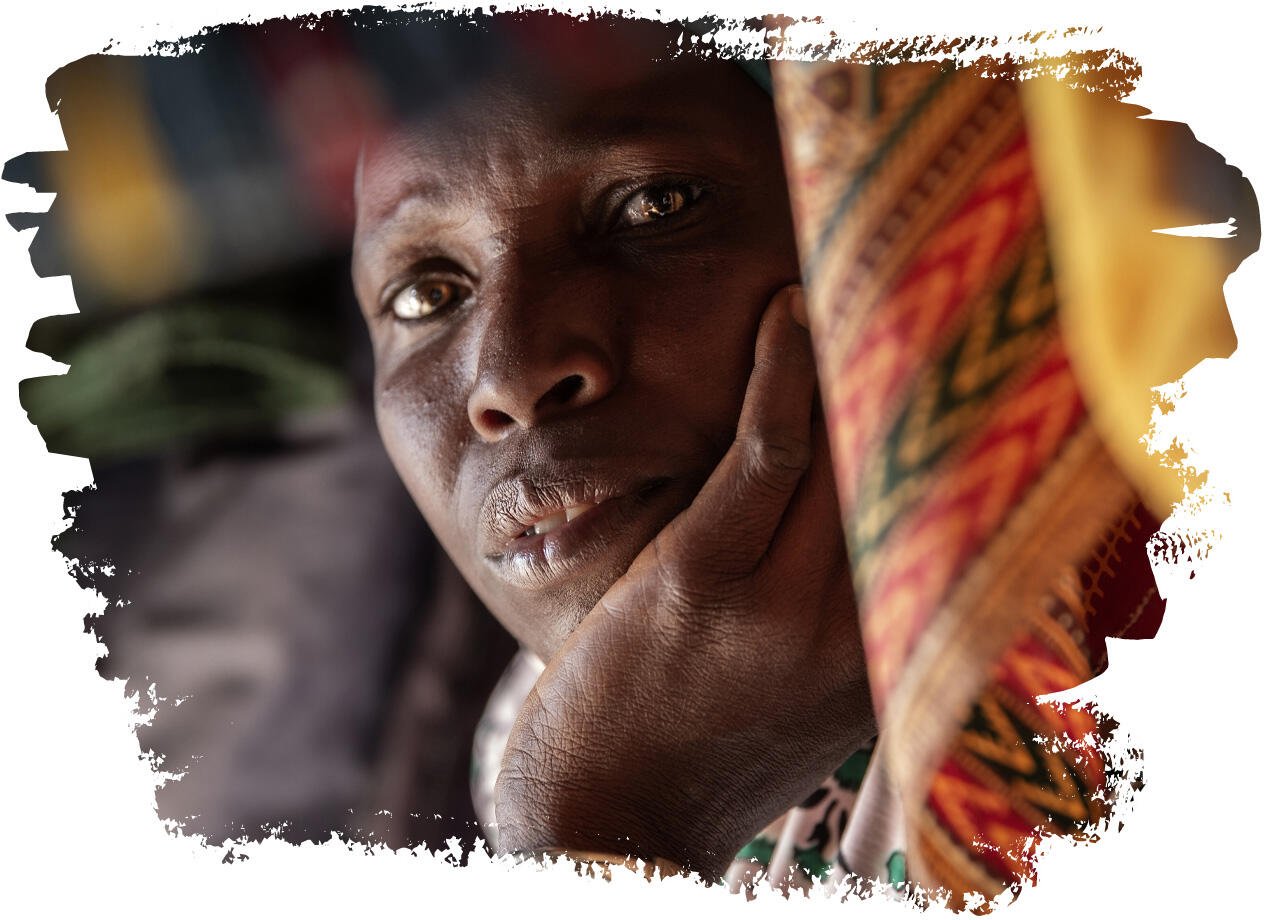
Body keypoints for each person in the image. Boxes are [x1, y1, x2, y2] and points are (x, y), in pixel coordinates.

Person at [350, 18, 881, 887]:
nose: (511, 377)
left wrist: (602, 820)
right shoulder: (533, 728)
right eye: (428, 293)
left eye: (653, 205)